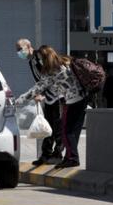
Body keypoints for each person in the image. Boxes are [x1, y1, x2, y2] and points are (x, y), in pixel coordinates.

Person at [17, 46, 87, 169]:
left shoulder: (52, 72)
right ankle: (69, 157)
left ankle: (72, 158)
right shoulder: (65, 62)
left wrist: (18, 101)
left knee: (66, 131)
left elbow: (37, 88)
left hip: (72, 101)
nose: (40, 62)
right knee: (72, 131)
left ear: (45, 58)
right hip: (82, 98)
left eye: (41, 59)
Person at [16, 38, 64, 166]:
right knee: (48, 127)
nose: (19, 52)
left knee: (57, 127)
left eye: (20, 49)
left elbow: (48, 78)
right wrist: (40, 93)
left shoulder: (40, 56)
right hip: (48, 97)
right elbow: (40, 81)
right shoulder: (31, 62)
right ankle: (46, 154)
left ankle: (57, 154)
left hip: (58, 95)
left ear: (28, 46)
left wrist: (33, 94)